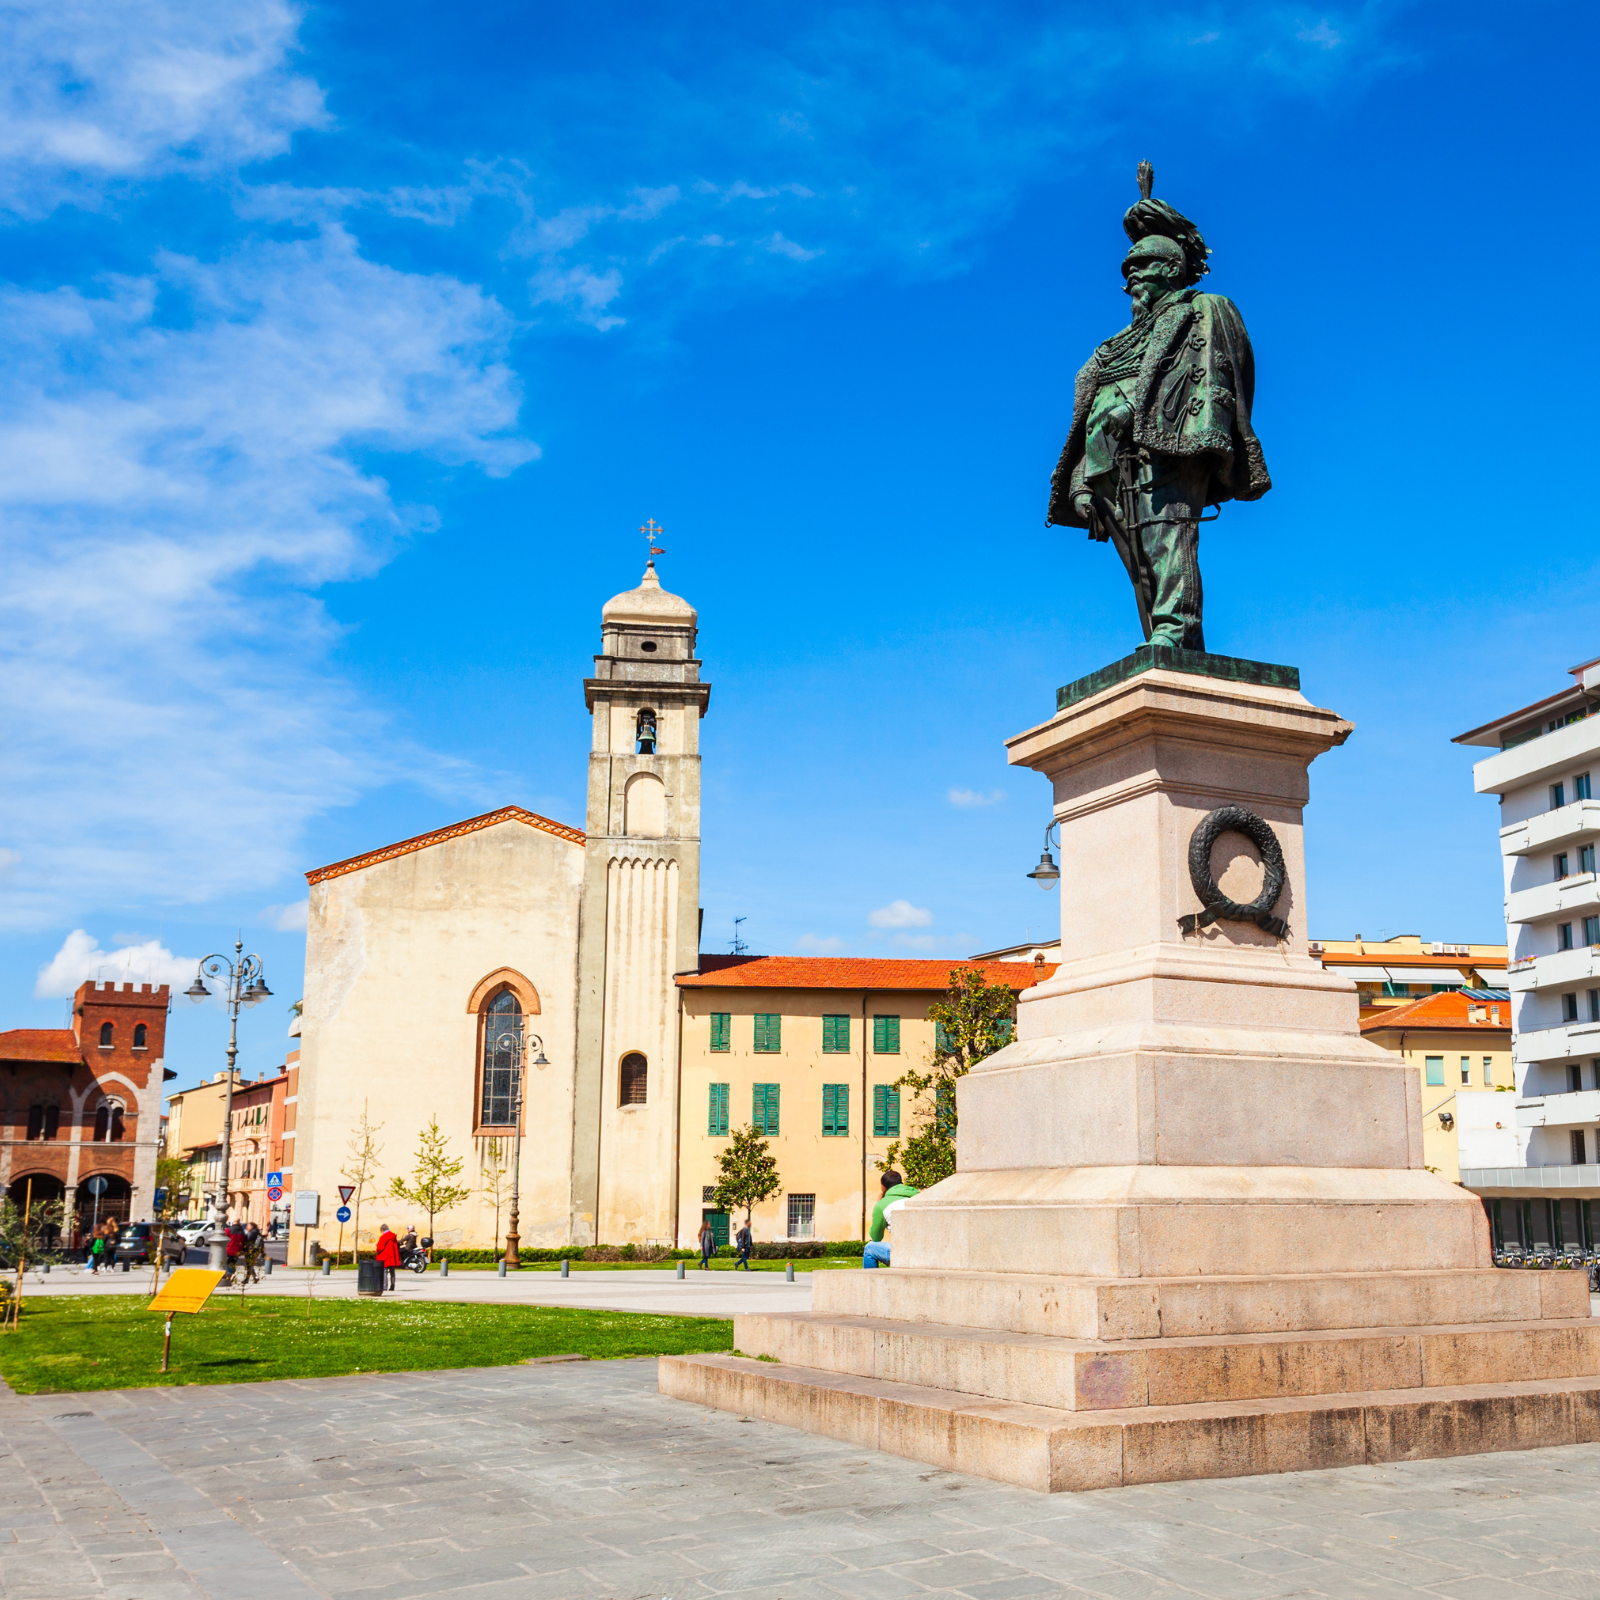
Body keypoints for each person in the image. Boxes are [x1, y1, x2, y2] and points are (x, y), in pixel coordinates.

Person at [1045, 164, 1269, 653]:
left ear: (1170, 269)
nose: (1130, 283)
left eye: (1139, 270)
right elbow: (1089, 411)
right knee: (1141, 558)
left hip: (1172, 441)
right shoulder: (1116, 343)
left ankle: (1176, 629)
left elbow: (1220, 369)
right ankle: (1174, 641)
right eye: (1126, 274)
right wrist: (1084, 477)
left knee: (1169, 535)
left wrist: (1197, 436)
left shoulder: (1203, 308)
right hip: (1112, 465)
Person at [864, 1170, 918, 1269]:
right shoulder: (919, 1195)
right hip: (924, 1250)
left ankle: (872, 1283)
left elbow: (876, 1237)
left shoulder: (882, 1204)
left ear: (883, 1187)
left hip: (903, 1254)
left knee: (869, 1248)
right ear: (901, 1183)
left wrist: (878, 1204)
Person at [376, 1223, 401, 1290]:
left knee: (384, 1272)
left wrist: (377, 1250)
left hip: (385, 1256)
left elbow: (380, 1248)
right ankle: (392, 1286)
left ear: (382, 1230)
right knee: (392, 1271)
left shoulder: (383, 1237)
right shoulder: (393, 1236)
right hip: (392, 1256)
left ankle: (384, 1286)